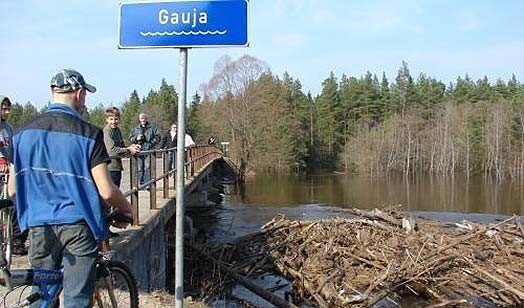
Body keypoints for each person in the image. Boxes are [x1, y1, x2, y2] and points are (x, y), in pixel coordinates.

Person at [8, 69, 133, 308]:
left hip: (38, 224)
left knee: (42, 295)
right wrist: (126, 208)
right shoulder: (89, 133)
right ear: (79, 93)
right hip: (77, 225)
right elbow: (106, 190)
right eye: (85, 94)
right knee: (76, 298)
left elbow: (13, 189)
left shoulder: (22, 134)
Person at [0, 95, 28, 255]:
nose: (7, 112)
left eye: (8, 109)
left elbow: (14, 149)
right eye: (3, 108)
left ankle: (17, 240)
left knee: (18, 204)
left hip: (10, 173)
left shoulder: (9, 128)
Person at [103, 107, 140, 187]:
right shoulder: (107, 131)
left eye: (116, 119)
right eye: (111, 119)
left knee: (116, 190)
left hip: (116, 167)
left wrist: (131, 148)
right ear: (107, 119)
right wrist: (128, 149)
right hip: (110, 167)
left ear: (119, 119)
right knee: (112, 193)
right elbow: (111, 150)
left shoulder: (117, 130)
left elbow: (121, 146)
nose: (113, 122)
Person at [129, 113, 160, 187]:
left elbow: (158, 137)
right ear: (139, 119)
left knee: (147, 167)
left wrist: (150, 144)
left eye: (144, 118)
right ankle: (141, 183)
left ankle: (147, 184)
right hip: (139, 150)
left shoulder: (152, 128)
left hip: (148, 151)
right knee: (139, 168)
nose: (143, 119)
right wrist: (137, 138)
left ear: (146, 119)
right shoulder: (135, 129)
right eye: (141, 118)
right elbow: (131, 139)